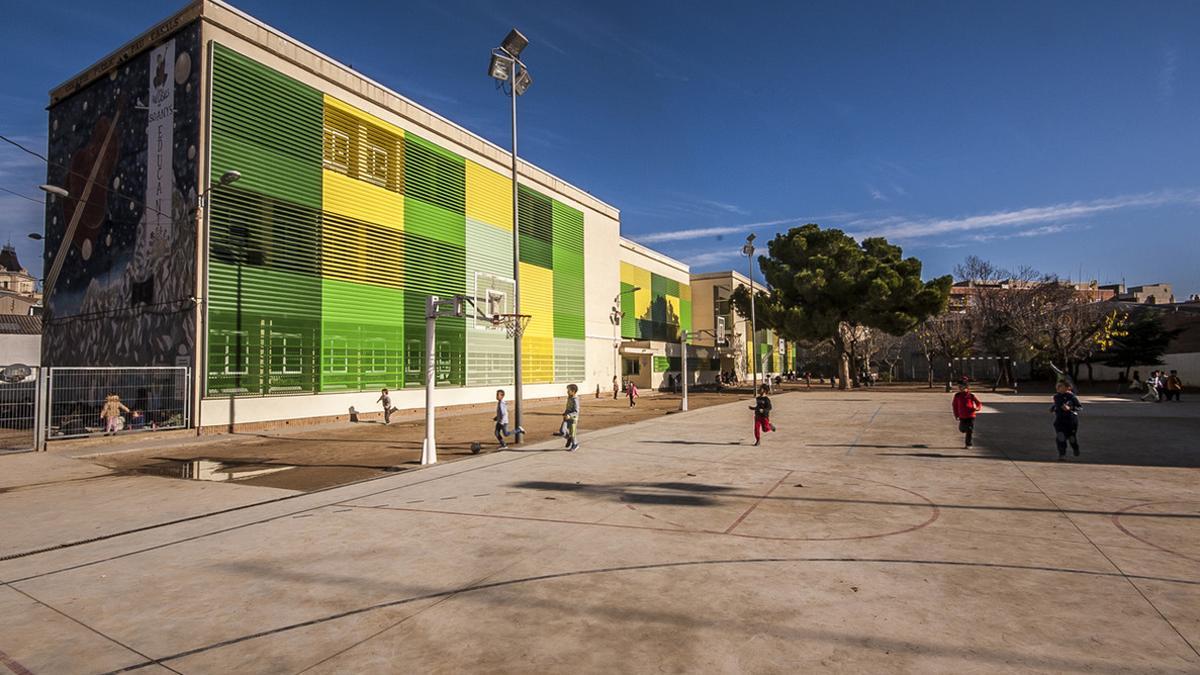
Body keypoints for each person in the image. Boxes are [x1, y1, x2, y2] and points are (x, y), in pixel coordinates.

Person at [1050, 381, 1082, 460]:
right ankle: (1062, 454)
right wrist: (1053, 408)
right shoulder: (1056, 397)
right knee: (1061, 437)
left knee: (1071, 438)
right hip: (1060, 421)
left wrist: (1070, 408)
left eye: (1061, 386)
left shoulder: (1072, 397)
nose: (1058, 387)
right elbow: (1058, 404)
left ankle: (1075, 448)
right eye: (1057, 386)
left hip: (1071, 421)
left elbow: (1079, 407)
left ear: (1068, 388)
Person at [952, 380, 982, 448]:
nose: (959, 388)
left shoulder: (971, 395)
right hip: (962, 416)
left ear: (966, 387)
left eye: (961, 387)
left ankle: (968, 444)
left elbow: (978, 403)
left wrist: (978, 408)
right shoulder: (957, 396)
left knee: (970, 430)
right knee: (962, 429)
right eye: (959, 387)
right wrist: (956, 415)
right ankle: (965, 429)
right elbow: (955, 406)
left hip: (971, 415)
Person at [561, 384, 581, 451]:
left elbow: (576, 411)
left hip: (573, 419)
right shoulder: (569, 398)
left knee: (572, 433)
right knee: (562, 431)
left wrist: (569, 415)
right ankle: (568, 438)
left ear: (573, 391)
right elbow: (568, 407)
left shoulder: (576, 400)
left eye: (568, 390)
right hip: (567, 418)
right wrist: (565, 413)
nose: (567, 391)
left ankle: (575, 444)